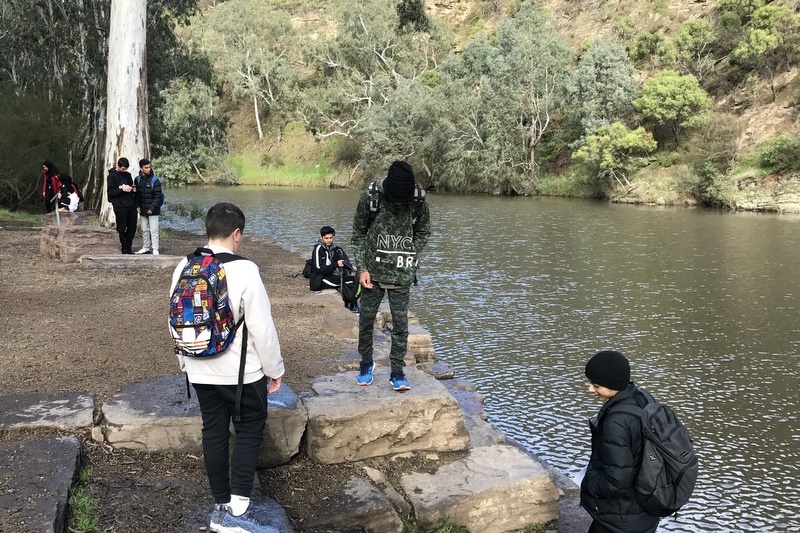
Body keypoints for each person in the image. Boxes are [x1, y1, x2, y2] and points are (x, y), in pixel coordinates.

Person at [170, 202, 285, 533]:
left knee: (214, 430)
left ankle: (220, 503)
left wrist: (185, 363)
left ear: (207, 230)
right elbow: (263, 328)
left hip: (199, 369)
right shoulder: (246, 270)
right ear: (237, 233)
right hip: (241, 374)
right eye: (242, 236)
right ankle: (237, 509)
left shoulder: (185, 267)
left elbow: (174, 320)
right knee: (249, 429)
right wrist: (274, 369)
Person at [351, 160, 430, 391]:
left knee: (401, 324)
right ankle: (366, 364)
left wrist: (411, 254)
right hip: (372, 273)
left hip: (402, 273)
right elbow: (358, 233)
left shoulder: (417, 199)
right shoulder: (371, 196)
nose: (399, 203)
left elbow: (424, 230)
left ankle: (397, 371)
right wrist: (362, 268)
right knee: (366, 321)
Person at [580, 350, 661, 533]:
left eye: (596, 385)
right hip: (645, 509)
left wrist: (589, 484)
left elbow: (617, 480)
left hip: (622, 518)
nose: (590, 389)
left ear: (611, 384)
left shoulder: (616, 421)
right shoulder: (643, 398)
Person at [106, 157, 137, 254]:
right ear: (118, 166)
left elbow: (131, 186)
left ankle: (129, 246)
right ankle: (124, 247)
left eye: (126, 169)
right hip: (120, 206)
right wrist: (122, 190)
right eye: (123, 169)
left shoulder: (127, 175)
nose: (124, 171)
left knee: (132, 227)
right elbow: (110, 192)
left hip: (130, 204)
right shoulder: (112, 176)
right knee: (122, 228)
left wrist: (132, 189)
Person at [134, 158, 164, 255]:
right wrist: (137, 205)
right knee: (144, 230)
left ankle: (155, 248)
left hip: (153, 210)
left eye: (149, 167)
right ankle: (146, 247)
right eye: (146, 167)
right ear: (141, 168)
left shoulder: (155, 180)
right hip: (142, 209)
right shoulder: (137, 179)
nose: (148, 169)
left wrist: (152, 208)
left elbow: (158, 196)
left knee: (154, 229)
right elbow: (136, 194)